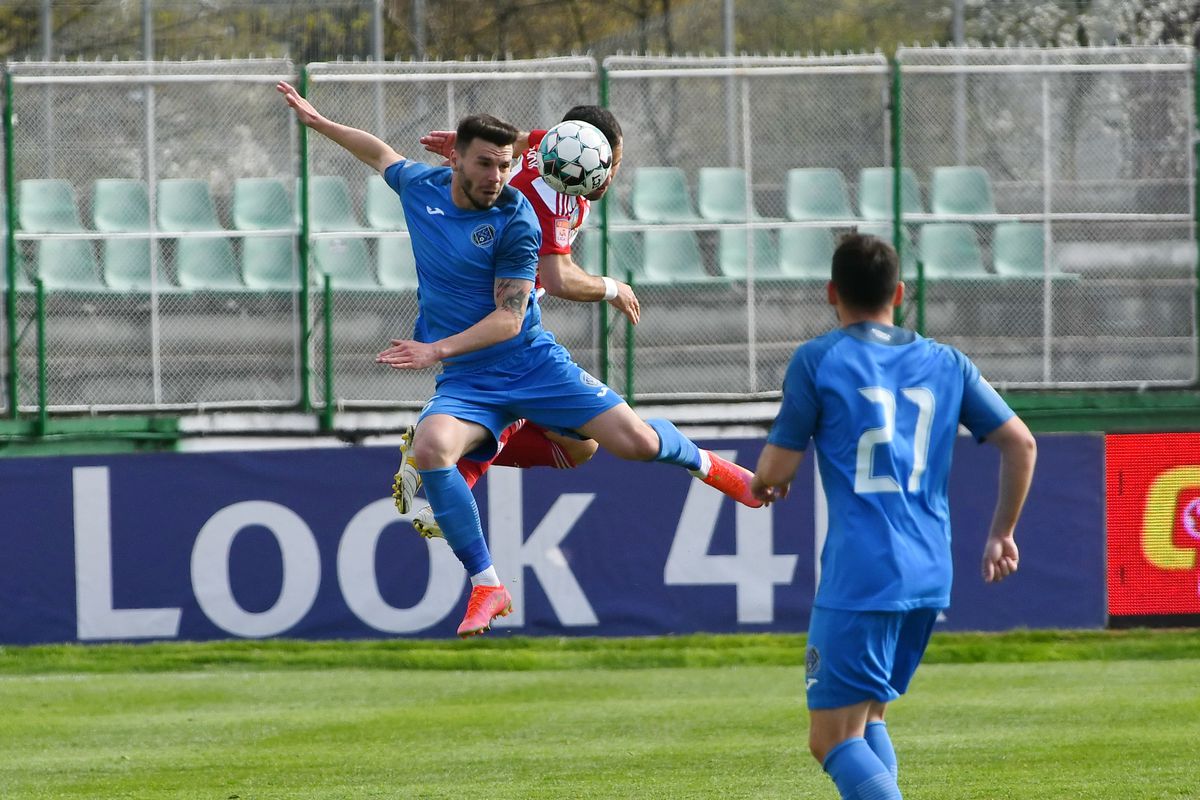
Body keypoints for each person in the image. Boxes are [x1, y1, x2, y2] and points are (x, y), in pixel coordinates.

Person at [276, 80, 762, 639]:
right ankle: (487, 584)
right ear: (456, 159)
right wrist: (319, 124)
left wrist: (433, 348)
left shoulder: (517, 219)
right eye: (485, 164)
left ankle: (722, 473)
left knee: (628, 445)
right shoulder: (422, 187)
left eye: (504, 166)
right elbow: (379, 151)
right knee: (434, 447)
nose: (497, 178)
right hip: (468, 375)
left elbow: (509, 320)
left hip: (529, 359)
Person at [749, 233, 1037, 800]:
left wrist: (764, 482)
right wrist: (1002, 533)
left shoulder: (818, 358)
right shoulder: (948, 362)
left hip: (863, 570)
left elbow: (775, 471)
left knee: (830, 739)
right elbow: (1021, 443)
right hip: (929, 569)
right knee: (869, 720)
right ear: (900, 294)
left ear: (831, 292)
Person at [393, 106, 635, 540]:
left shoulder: (558, 150)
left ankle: (439, 453)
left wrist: (472, 145)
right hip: (494, 321)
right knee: (512, 401)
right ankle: (449, 474)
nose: (611, 174)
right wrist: (612, 288)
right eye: (611, 164)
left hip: (510, 313)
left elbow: (527, 138)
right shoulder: (545, 199)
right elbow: (559, 279)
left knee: (581, 448)